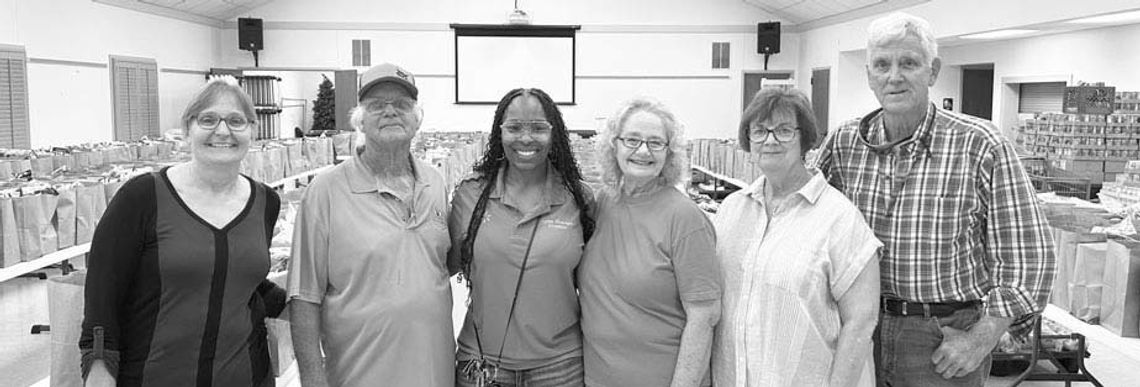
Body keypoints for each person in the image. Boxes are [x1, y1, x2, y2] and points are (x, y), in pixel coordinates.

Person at [813, 12, 1056, 387]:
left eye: (908, 63)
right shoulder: (846, 144)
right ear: (869, 74)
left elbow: (1029, 257)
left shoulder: (980, 145)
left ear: (932, 70)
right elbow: (804, 213)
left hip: (942, 338)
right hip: (858, 329)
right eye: (882, 64)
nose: (894, 76)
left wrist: (983, 337)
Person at [80, 77, 286, 387]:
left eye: (236, 121)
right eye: (208, 119)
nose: (222, 131)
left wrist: (305, 303)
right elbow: (102, 297)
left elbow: (241, 280)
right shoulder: (142, 198)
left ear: (253, 131)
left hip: (246, 377)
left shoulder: (265, 202)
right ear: (187, 129)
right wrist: (99, 374)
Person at [287, 63, 454, 387]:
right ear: (360, 120)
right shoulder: (326, 192)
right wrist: (312, 380)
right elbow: (304, 297)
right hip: (359, 375)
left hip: (435, 373)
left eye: (402, 105)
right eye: (377, 105)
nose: (390, 112)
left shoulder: (435, 183)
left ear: (417, 119)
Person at [712, 87, 882, 387]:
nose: (770, 140)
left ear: (805, 138)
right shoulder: (732, 210)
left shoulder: (839, 218)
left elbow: (861, 321)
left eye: (784, 130)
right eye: (760, 131)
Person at [448, 88, 595, 387]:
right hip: (481, 363)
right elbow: (441, 266)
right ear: (498, 133)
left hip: (560, 367)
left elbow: (597, 281)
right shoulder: (470, 195)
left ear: (554, 134)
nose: (526, 138)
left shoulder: (579, 198)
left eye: (538, 128)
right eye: (514, 127)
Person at [580, 98, 722, 387]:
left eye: (656, 143)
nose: (643, 151)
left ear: (669, 154)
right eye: (632, 140)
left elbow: (704, 316)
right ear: (614, 145)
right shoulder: (603, 203)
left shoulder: (685, 218)